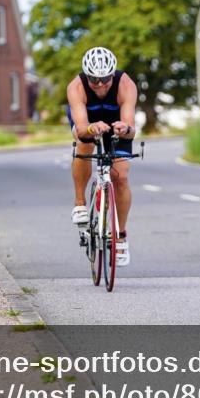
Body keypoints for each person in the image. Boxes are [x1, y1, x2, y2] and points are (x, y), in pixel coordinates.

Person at [66, 46, 138, 266]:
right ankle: (80, 203)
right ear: (86, 76)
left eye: (105, 79)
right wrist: (90, 129)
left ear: (112, 74)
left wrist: (124, 129)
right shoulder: (76, 87)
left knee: (121, 176)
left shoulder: (126, 85)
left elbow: (131, 128)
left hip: (117, 123)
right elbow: (80, 129)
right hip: (88, 123)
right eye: (93, 79)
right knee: (84, 144)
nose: (99, 85)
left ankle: (120, 235)